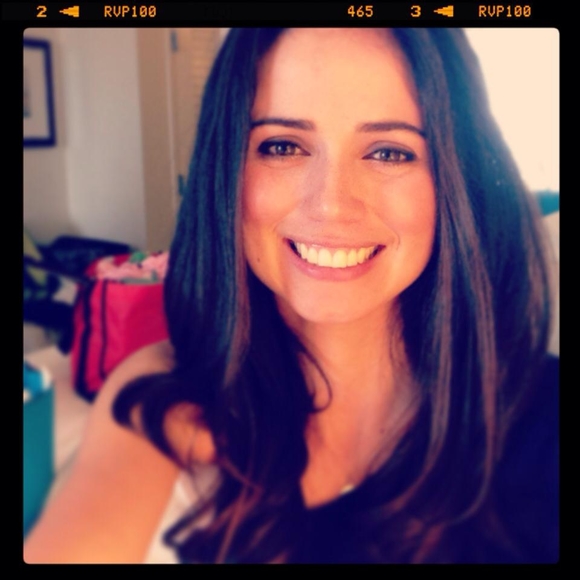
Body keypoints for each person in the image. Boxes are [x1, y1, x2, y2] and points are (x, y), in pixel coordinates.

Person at [23, 27, 558, 564]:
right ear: (227, 168)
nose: (330, 205)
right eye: (282, 145)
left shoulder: (539, 419)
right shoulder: (171, 391)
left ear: (456, 178)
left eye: (389, 152)